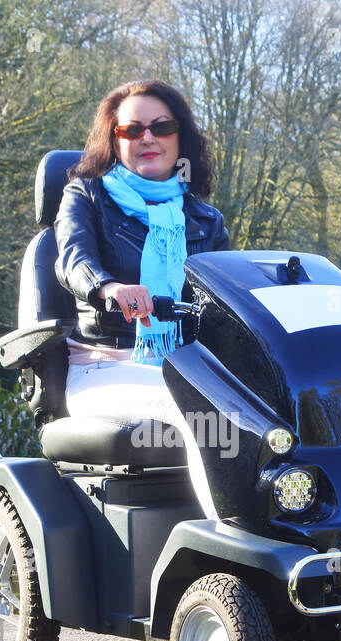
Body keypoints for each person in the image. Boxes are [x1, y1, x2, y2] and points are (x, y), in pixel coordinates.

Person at [53, 79, 231, 435]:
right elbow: (73, 259)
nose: (148, 138)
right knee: (204, 419)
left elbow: (229, 302)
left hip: (186, 367)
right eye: (132, 130)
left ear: (180, 138)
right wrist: (109, 287)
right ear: (115, 142)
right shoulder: (85, 195)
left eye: (162, 127)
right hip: (104, 367)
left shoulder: (206, 220)